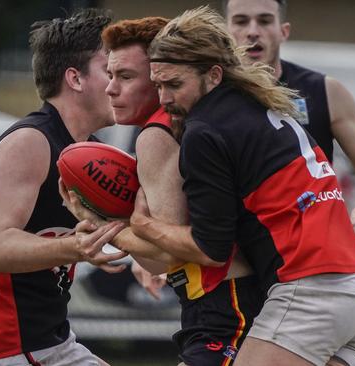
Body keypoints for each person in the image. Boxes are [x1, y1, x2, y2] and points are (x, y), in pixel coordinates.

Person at [123, 6, 355, 366]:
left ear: (213, 74)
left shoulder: (205, 129)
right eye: (157, 85)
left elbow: (209, 248)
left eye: (174, 85)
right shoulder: (258, 103)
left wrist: (138, 225)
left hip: (310, 295)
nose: (164, 99)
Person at [60, 16, 264, 365]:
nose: (111, 89)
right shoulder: (198, 121)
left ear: (158, 76)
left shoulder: (157, 135)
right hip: (230, 298)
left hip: (222, 304)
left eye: (126, 77)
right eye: (110, 76)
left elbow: (166, 257)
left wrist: (100, 222)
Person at [0, 9, 126, 366]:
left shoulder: (92, 152)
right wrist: (77, 246)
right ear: (74, 78)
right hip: (2, 349)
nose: (117, 83)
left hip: (50, 342)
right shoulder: (31, 141)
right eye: (110, 70)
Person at [223, 0, 355, 248]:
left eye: (265, 20)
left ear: (284, 31)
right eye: (240, 21)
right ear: (224, 33)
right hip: (237, 255)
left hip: (310, 252)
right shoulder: (207, 94)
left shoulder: (324, 91)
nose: (252, 31)